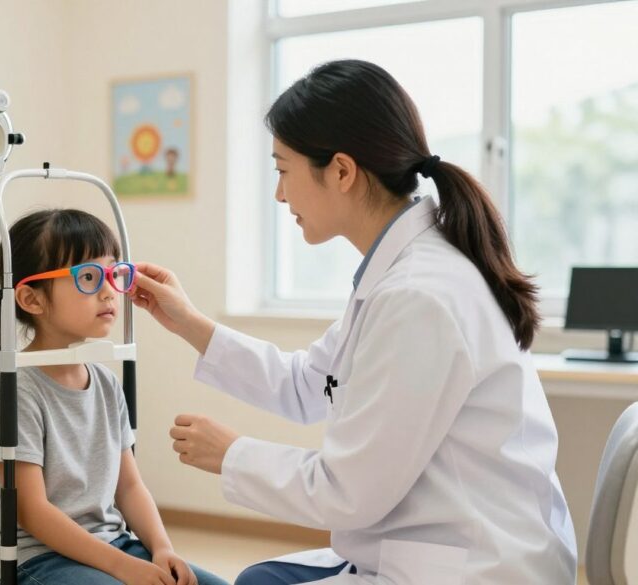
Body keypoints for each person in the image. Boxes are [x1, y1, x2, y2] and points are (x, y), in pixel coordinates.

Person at [128, 60, 577, 584]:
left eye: (282, 170)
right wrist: (188, 322)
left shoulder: (419, 297)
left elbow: (349, 492)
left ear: (341, 171)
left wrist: (232, 455)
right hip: (436, 542)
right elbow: (308, 384)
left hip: (474, 565)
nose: (279, 195)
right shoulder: (400, 275)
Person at [0, 208, 230, 585]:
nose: (109, 290)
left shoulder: (106, 383)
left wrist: (161, 548)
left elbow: (129, 486)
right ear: (31, 299)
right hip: (35, 560)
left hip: (113, 545)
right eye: (89, 277)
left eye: (113, 274)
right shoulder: (17, 392)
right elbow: (31, 511)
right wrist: (123, 567)